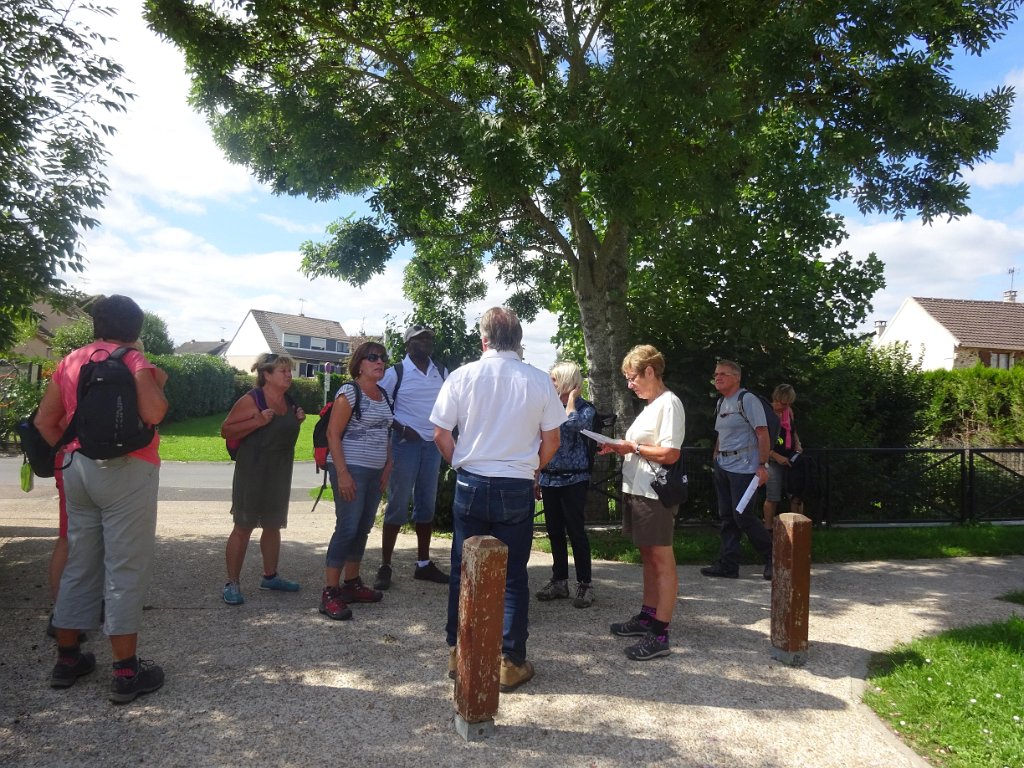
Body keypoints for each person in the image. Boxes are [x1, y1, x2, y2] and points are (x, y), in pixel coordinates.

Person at [34, 294, 169, 703]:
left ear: (97, 325)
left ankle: (68, 658)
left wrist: (72, 453)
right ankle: (126, 671)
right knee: (125, 567)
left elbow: (45, 421)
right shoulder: (133, 360)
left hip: (76, 469)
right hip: (128, 469)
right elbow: (155, 413)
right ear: (135, 328)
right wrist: (152, 377)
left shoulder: (71, 360)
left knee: (79, 562)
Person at [431, 306, 565, 692]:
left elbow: (440, 432)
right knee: (513, 575)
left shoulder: (462, 376)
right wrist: (533, 469)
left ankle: (458, 651)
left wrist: (460, 463)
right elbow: (553, 440)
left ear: (484, 340)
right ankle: (509, 661)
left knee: (463, 570)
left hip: (471, 481)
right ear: (518, 340)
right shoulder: (538, 380)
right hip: (515, 483)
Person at [599, 345, 685, 660]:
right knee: (648, 556)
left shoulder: (669, 403)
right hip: (638, 490)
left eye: (632, 377)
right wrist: (619, 447)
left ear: (650, 371)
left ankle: (660, 634)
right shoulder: (651, 405)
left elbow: (671, 453)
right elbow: (642, 447)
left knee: (662, 560)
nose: (630, 384)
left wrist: (632, 447)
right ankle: (648, 617)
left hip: (654, 495)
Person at [220, 353, 306, 605]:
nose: (289, 375)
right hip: (252, 472)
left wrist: (298, 421)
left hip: (279, 473)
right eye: (283, 371)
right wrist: (257, 421)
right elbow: (226, 430)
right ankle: (232, 583)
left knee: (272, 525)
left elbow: (282, 435)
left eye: (289, 370)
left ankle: (270, 577)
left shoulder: (289, 402)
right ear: (266, 375)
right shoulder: (252, 400)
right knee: (243, 526)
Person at [319, 341, 394, 620]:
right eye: (373, 357)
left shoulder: (384, 395)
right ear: (359, 364)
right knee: (347, 528)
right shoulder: (349, 392)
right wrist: (343, 473)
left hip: (374, 472)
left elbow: (387, 433)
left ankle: (351, 583)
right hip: (351, 469)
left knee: (362, 528)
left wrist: (387, 467)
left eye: (383, 358)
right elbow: (332, 434)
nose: (380, 362)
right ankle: (330, 592)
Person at [374, 324, 449, 590]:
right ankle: (385, 565)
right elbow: (378, 403)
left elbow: (451, 404)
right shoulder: (396, 372)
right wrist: (401, 428)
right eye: (419, 339)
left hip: (432, 446)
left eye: (428, 338)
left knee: (426, 503)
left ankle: (423, 564)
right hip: (405, 444)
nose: (425, 342)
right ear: (408, 345)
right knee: (398, 502)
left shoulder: (441, 371)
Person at [701, 360, 774, 581]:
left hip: (744, 468)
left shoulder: (747, 400)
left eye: (723, 374)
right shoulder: (722, 402)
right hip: (723, 466)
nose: (718, 377)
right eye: (716, 374)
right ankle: (728, 565)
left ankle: (774, 557)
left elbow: (762, 433)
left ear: (737, 377)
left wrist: (762, 465)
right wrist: (716, 456)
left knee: (743, 516)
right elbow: (721, 434)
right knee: (727, 517)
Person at [535, 361, 598, 608]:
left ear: (567, 381)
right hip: (550, 477)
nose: (550, 383)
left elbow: (574, 424)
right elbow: (539, 440)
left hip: (574, 479)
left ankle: (585, 584)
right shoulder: (547, 407)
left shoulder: (585, 409)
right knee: (554, 532)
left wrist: (571, 399)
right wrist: (536, 475)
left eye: (554, 379)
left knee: (576, 532)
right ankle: (559, 581)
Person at [763, 383, 804, 529]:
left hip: (790, 458)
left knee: (796, 495)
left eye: (788, 404)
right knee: (772, 497)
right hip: (772, 460)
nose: (785, 407)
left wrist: (798, 444)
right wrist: (775, 455)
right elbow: (760, 440)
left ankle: (798, 530)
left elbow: (793, 431)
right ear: (776, 399)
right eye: (782, 403)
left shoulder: (789, 411)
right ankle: (768, 530)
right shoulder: (766, 413)